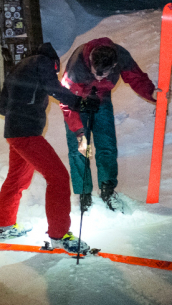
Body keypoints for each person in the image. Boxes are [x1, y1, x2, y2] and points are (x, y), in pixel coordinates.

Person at [0, 42, 97, 253]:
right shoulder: (43, 62)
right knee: (58, 177)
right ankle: (60, 234)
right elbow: (54, 89)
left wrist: (20, 106)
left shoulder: (20, 66)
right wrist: (82, 103)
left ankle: (2, 224)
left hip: (14, 132)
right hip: (27, 132)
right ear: (55, 63)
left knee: (17, 178)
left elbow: (2, 105)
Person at [61, 37, 157, 212]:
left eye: (103, 74)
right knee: (81, 148)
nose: (98, 77)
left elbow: (136, 78)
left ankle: (107, 189)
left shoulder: (120, 56)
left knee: (107, 144)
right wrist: (79, 130)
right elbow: (66, 101)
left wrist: (151, 93)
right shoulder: (77, 67)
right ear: (89, 61)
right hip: (75, 104)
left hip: (102, 100)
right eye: (95, 72)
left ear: (114, 66)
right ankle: (84, 194)